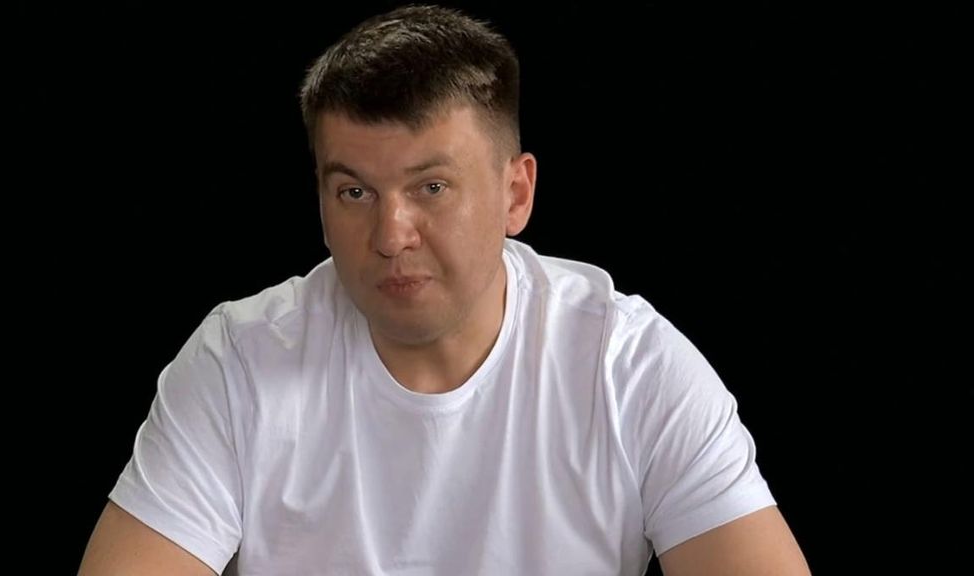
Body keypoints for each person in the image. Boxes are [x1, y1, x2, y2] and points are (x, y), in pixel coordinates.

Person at [79, 5, 810, 575]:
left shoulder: (629, 368)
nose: (391, 234)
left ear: (515, 193)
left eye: (431, 186)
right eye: (355, 191)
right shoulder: (239, 362)